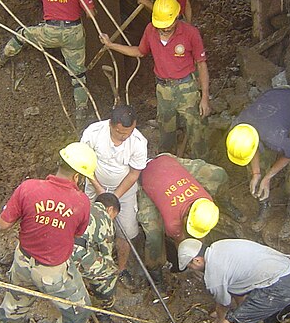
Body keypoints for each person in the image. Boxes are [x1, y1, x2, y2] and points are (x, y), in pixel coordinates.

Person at [0, 142, 95, 323]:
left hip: (22, 261)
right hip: (52, 272)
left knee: (17, 298)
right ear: (78, 177)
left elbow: (2, 225)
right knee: (79, 312)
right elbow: (77, 233)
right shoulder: (81, 202)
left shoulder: (28, 188)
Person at [100, 0, 211, 159]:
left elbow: (201, 64)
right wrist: (111, 45)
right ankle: (166, 164)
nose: (164, 30)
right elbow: (139, 51)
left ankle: (202, 167)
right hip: (163, 88)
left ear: (177, 18)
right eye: (160, 26)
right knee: (166, 130)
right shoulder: (151, 30)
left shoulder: (190, 33)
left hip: (186, 87)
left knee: (197, 130)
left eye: (167, 26)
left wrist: (205, 98)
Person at [0, 0, 96, 128]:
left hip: (49, 32)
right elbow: (90, 14)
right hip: (73, 33)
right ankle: (81, 112)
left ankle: (1, 57)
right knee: (78, 74)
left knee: (22, 34)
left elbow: (44, 0)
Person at [227, 87, 290, 239]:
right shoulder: (238, 128)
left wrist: (268, 177)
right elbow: (252, 149)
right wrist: (256, 173)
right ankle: (264, 205)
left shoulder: (273, 136)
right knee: (254, 170)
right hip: (272, 106)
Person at [80, 105, 147, 282]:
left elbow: (134, 174)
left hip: (123, 191)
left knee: (125, 231)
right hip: (95, 185)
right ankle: (88, 264)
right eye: (120, 133)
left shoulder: (139, 142)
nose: (125, 137)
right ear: (111, 124)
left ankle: (121, 269)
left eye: (129, 132)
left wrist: (114, 197)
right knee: (84, 223)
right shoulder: (93, 133)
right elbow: (83, 163)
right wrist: (98, 188)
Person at [136, 153, 225, 286]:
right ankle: (155, 272)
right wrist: (189, 262)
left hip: (170, 166)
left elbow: (199, 233)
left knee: (219, 175)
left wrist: (200, 253)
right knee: (154, 237)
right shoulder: (172, 223)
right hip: (147, 176)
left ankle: (228, 203)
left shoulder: (206, 203)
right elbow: (182, 245)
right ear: (188, 215)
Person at [71, 192, 120, 309]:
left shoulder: (81, 206)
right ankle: (103, 306)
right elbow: (106, 253)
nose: (113, 219)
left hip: (52, 247)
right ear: (110, 209)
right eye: (114, 215)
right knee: (110, 271)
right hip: (72, 253)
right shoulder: (104, 218)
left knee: (90, 257)